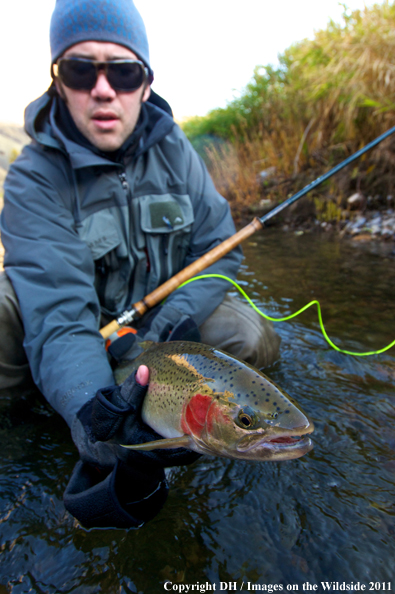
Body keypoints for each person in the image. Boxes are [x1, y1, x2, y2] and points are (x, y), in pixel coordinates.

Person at [0, 0, 281, 529]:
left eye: (124, 72)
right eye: (81, 70)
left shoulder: (175, 148)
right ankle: (29, 434)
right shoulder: (32, 177)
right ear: (58, 81)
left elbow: (219, 246)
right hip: (84, 326)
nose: (103, 89)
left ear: (146, 85)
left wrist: (174, 321)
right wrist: (94, 416)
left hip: (163, 321)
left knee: (251, 336)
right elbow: (59, 314)